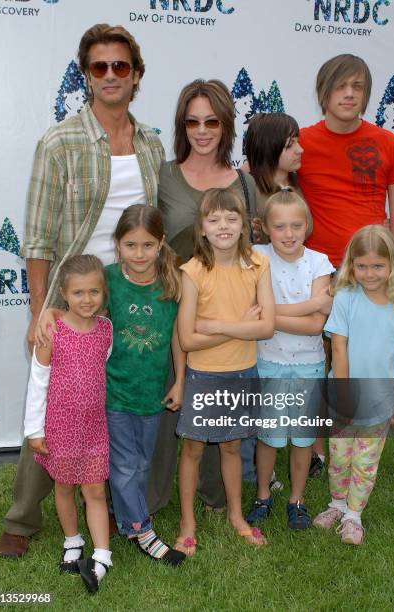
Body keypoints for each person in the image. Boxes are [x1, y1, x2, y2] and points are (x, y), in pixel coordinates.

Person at [0, 23, 164, 558]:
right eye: (99, 67)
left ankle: (120, 504)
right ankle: (22, 521)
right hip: (75, 294)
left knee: (120, 400)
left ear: (136, 75)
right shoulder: (60, 141)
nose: (110, 75)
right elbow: (40, 237)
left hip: (131, 290)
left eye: (121, 66)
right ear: (86, 75)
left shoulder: (151, 143)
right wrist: (41, 309)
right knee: (54, 406)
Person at [297, 54, 394, 492]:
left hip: (373, 272)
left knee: (381, 366)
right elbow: (263, 178)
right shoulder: (300, 143)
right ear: (323, 93)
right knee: (321, 363)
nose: (349, 94)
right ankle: (318, 451)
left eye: (357, 86)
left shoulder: (387, 143)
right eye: (340, 86)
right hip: (321, 273)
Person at [36, 206, 187, 566]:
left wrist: (180, 380)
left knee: (141, 465)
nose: (139, 254)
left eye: (147, 245)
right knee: (122, 466)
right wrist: (50, 312)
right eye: (130, 245)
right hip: (112, 395)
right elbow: (78, 304)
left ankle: (127, 521)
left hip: (151, 393)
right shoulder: (106, 279)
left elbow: (178, 337)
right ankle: (142, 529)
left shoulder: (171, 283)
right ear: (117, 244)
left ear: (161, 243)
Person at [149, 79, 258, 515]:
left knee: (218, 401)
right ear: (181, 125)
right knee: (165, 409)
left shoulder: (245, 183)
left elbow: (263, 242)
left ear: (226, 123)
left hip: (222, 311)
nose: (202, 130)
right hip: (167, 305)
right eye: (191, 121)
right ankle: (152, 499)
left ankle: (217, 499)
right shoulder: (163, 175)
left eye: (211, 120)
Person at [174, 187, 274, 555]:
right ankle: (187, 523)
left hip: (242, 370)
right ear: (201, 228)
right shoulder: (193, 270)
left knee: (232, 446)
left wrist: (214, 326)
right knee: (193, 450)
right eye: (214, 219)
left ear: (245, 225)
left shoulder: (258, 265)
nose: (223, 226)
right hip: (203, 375)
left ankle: (236, 515)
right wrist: (237, 324)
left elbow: (266, 328)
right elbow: (186, 338)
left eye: (231, 218)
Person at [313, 225, 394, 544]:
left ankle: (353, 515)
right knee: (339, 458)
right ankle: (336, 504)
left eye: (378, 265)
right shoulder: (346, 297)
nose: (369, 273)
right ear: (351, 264)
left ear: (393, 264)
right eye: (361, 266)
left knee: (365, 462)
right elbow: (338, 347)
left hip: (379, 402)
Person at [245, 188, 334, 529]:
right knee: (268, 436)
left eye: (296, 225)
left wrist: (267, 315)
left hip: (308, 365)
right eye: (280, 226)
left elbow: (315, 326)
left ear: (308, 226)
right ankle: (263, 495)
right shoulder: (257, 257)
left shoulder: (318, 262)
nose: (289, 234)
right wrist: (311, 305)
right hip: (268, 362)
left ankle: (297, 499)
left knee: (302, 438)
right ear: (265, 227)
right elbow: (310, 312)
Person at [24, 255, 113, 592]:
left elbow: (99, 368)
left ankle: (102, 553)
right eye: (78, 293)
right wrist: (35, 430)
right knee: (64, 487)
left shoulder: (106, 330)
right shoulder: (52, 332)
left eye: (94, 292)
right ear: (63, 292)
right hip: (59, 427)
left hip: (93, 427)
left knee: (94, 489)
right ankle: (72, 541)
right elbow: (38, 382)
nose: (86, 299)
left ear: (103, 293)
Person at [245, 112, 304, 216]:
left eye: (298, 141)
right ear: (268, 148)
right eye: (290, 144)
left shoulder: (304, 182)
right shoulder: (246, 191)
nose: (300, 150)